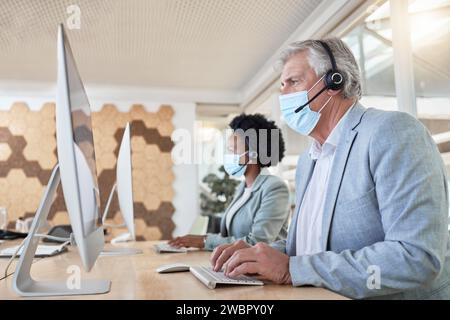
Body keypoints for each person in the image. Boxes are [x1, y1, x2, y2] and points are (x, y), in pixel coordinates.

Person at [210, 38, 450, 299]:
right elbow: (312, 248)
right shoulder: (306, 162)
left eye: (293, 82)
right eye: (282, 85)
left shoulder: (392, 132)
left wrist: (292, 269)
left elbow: (416, 258)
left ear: (334, 82)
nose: (283, 95)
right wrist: (258, 254)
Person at [169, 114, 290, 251]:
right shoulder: (242, 188)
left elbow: (256, 242)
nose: (229, 157)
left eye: (234, 151)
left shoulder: (275, 188)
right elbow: (231, 232)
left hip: (263, 269)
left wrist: (204, 241)